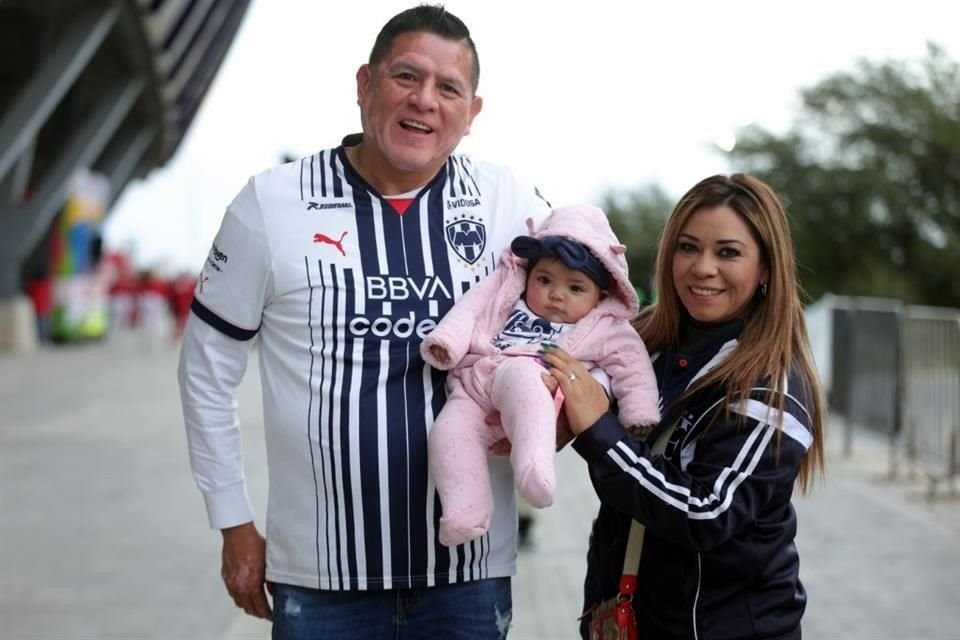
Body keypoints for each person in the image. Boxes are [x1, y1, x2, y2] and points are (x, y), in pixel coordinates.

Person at [177, 5, 552, 639]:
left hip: (468, 574)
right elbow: (206, 372)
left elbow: (575, 322)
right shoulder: (272, 204)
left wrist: (552, 419)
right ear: (364, 84)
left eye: (448, 87)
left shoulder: (508, 202)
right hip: (321, 579)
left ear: (472, 112)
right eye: (406, 76)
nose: (425, 100)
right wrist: (233, 520)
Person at [539, 174, 826, 639]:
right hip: (622, 619)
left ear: (767, 268)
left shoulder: (773, 387)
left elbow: (704, 513)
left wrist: (600, 433)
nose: (702, 268)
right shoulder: (640, 342)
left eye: (728, 252)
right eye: (688, 248)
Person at [421, 204, 660, 547]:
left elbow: (632, 367)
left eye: (575, 288)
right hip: (475, 387)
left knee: (524, 380)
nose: (556, 295)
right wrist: (448, 342)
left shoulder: (605, 327)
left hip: (530, 377)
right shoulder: (506, 292)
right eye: (544, 280)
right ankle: (465, 511)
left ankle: (534, 469)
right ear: (528, 275)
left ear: (601, 295)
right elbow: (469, 311)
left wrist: (639, 413)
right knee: (448, 433)